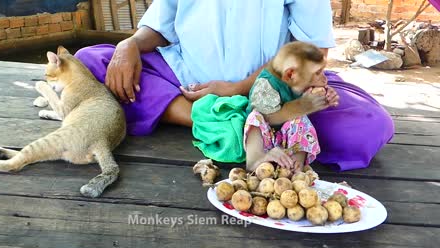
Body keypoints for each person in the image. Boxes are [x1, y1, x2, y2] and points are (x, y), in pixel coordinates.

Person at [75, 0, 394, 171]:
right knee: (90, 62)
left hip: (274, 88)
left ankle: (231, 121)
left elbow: (312, 53)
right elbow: (159, 26)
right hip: (188, 79)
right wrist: (129, 45)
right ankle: (223, 120)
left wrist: (237, 89)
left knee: (366, 127)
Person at [244, 41, 339, 172]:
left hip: (286, 138)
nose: (325, 79)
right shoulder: (266, 85)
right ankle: (255, 161)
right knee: (255, 118)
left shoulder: (299, 79)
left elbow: (311, 94)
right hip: (265, 136)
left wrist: (327, 96)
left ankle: (295, 165)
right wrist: (302, 106)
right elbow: (269, 119)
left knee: (300, 119)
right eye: (317, 73)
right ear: (290, 74)